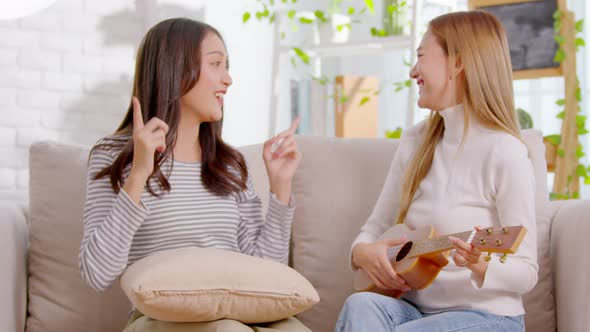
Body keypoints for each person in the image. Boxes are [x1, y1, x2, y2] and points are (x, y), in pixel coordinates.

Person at [78, 17, 307, 331]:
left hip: (238, 314)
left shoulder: (230, 163)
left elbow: (264, 271)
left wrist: (280, 187)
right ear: (176, 69)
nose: (228, 79)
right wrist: (139, 175)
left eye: (228, 66)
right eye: (216, 64)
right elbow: (97, 272)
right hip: (159, 320)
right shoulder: (114, 156)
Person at [336, 10, 537, 332]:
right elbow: (375, 227)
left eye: (420, 56)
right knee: (360, 304)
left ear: (458, 63)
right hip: (415, 312)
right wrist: (362, 252)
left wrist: (481, 264)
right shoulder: (416, 140)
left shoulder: (504, 151)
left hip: (487, 317)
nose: (413, 71)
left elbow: (526, 271)